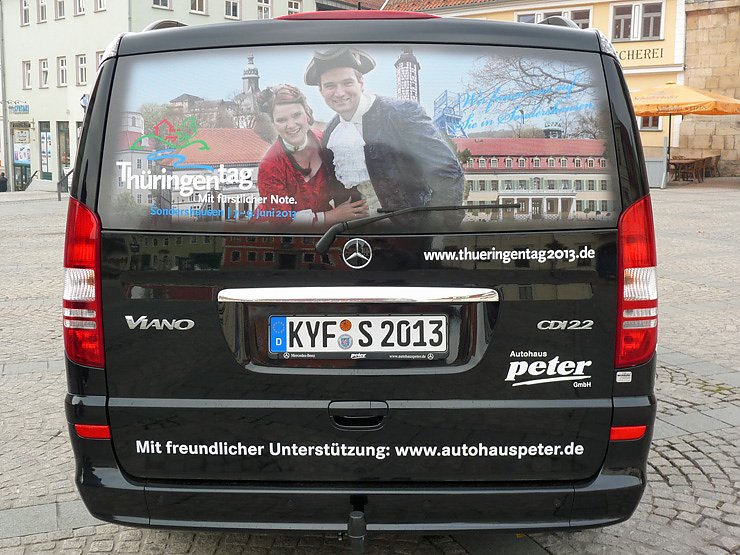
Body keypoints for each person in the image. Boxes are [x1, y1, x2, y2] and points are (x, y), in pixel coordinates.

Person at [304, 47, 465, 226]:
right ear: (321, 91)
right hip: (358, 235)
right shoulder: (331, 131)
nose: (339, 93)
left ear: (361, 82)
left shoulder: (402, 113)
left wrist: (434, 229)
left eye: (347, 82)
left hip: (410, 232)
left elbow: (447, 172)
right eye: (330, 86)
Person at [255, 84, 368, 227]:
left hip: (324, 230)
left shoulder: (326, 141)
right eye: (281, 120)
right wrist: (331, 216)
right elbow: (281, 222)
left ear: (307, 113)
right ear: (274, 123)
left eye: (296, 115)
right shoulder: (270, 165)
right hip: (277, 233)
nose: (291, 125)